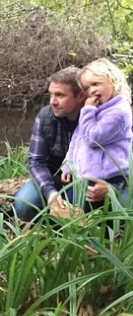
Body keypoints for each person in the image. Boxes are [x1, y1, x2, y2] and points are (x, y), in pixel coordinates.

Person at [14, 66, 109, 221]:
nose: (52, 102)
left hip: (86, 180)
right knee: (23, 206)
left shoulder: (103, 119)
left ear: (80, 96)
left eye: (60, 95)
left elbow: (120, 161)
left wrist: (109, 186)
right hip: (53, 176)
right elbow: (36, 161)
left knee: (73, 207)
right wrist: (49, 191)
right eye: (51, 94)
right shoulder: (45, 116)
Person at [60, 58, 132, 209]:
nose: (91, 91)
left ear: (112, 81)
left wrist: (87, 111)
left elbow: (94, 138)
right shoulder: (97, 109)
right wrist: (68, 164)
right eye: (87, 88)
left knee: (101, 218)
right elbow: (78, 138)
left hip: (111, 178)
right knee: (82, 211)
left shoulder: (119, 112)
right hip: (88, 176)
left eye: (95, 84)